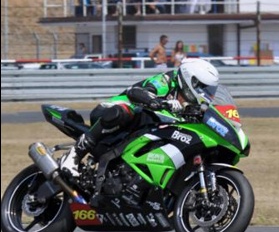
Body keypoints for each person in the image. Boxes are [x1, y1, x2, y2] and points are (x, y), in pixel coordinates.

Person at [58, 59, 220, 179]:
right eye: (205, 89)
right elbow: (135, 92)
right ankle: (74, 154)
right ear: (192, 81)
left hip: (136, 133)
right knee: (127, 111)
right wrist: (160, 102)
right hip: (110, 113)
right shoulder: (167, 80)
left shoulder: (190, 104)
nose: (208, 95)